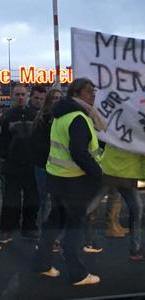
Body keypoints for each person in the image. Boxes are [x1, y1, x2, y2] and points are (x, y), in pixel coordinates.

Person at [32, 78, 104, 285]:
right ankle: (78, 274)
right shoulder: (78, 118)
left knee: (54, 222)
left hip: (57, 178)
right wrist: (97, 172)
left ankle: (42, 264)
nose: (93, 94)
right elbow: (79, 152)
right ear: (77, 93)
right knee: (75, 227)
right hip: (74, 183)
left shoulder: (60, 115)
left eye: (94, 90)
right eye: (89, 91)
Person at [89, 144, 145, 261]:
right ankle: (135, 250)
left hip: (110, 170)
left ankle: (62, 238)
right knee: (136, 211)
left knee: (89, 207)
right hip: (127, 174)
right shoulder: (137, 133)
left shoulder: (117, 128)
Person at [0, 84, 39, 243]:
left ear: (27, 95)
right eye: (18, 94)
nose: (21, 97)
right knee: (11, 199)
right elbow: (2, 141)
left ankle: (29, 228)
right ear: (12, 96)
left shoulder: (34, 115)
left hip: (31, 164)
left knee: (32, 198)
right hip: (12, 164)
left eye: (23, 94)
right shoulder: (6, 116)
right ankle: (7, 229)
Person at [31, 88, 63, 226]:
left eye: (60, 98)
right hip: (44, 165)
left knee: (57, 201)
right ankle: (44, 233)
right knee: (45, 200)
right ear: (49, 100)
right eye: (54, 98)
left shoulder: (62, 118)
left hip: (59, 166)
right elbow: (38, 144)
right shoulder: (43, 118)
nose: (57, 100)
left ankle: (52, 234)